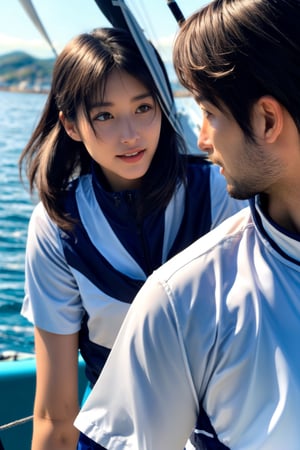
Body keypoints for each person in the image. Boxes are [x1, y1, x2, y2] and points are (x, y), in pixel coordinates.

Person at [74, 0, 300, 449]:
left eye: (209, 113)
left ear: (267, 119)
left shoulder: (185, 301)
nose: (200, 140)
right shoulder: (180, 299)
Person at [19, 25, 244, 450]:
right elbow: (55, 413)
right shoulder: (56, 228)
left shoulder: (218, 192)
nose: (130, 134)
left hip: (225, 431)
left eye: (143, 108)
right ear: (70, 124)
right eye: (104, 115)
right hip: (114, 437)